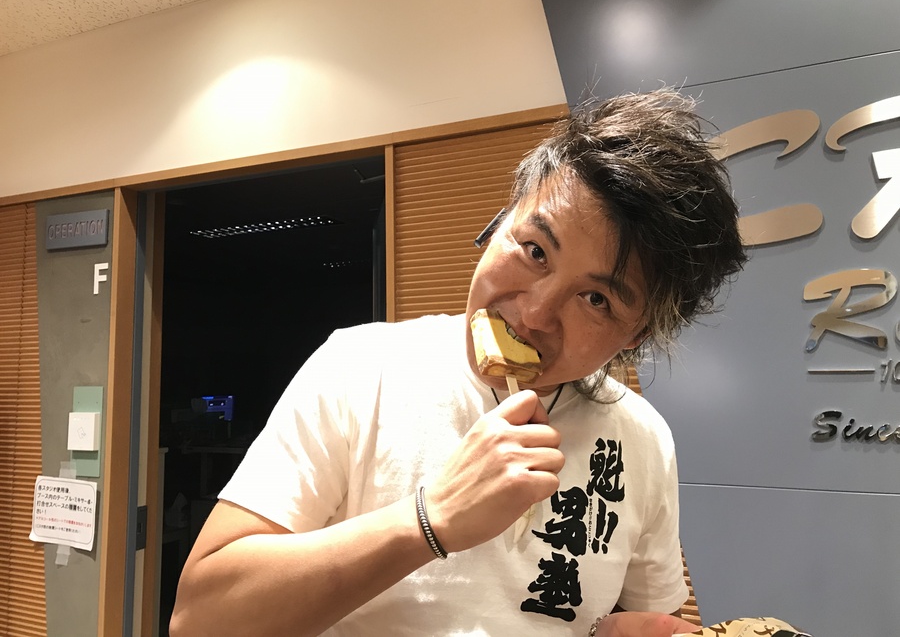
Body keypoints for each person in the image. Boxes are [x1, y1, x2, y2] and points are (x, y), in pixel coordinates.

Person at [169, 89, 746, 637]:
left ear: (635, 336)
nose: (534, 314)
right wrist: (431, 518)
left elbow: (652, 617)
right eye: (535, 250)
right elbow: (200, 620)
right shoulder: (360, 370)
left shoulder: (640, 438)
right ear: (501, 220)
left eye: (596, 299)